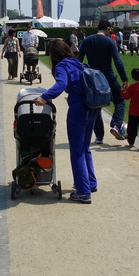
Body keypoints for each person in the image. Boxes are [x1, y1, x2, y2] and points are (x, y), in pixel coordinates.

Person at [34, 40, 99, 204]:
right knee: (85, 148)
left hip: (78, 108)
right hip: (92, 106)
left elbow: (62, 84)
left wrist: (44, 97)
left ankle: (83, 193)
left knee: (77, 150)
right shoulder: (77, 63)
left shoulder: (62, 65)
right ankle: (90, 183)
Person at [78, 19, 129, 144]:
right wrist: (125, 79)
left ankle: (99, 136)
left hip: (92, 78)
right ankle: (116, 124)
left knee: (96, 106)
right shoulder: (110, 41)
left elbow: (78, 60)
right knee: (120, 100)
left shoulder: (87, 41)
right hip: (108, 77)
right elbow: (118, 62)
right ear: (107, 29)